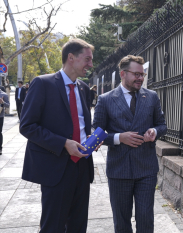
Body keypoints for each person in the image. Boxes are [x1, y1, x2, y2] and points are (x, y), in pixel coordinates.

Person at [20, 38, 95, 233]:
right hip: (55, 168)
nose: (91, 65)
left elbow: (80, 124)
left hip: (82, 167)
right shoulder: (42, 84)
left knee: (78, 226)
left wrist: (92, 137)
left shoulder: (84, 89)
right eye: (87, 59)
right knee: (53, 226)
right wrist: (63, 143)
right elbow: (27, 126)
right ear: (71, 57)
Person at [93, 55, 167, 233]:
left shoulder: (151, 97)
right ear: (123, 74)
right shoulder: (106, 99)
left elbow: (162, 125)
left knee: (145, 219)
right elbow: (96, 134)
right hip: (119, 170)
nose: (141, 78)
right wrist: (119, 137)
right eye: (136, 74)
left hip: (146, 169)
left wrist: (154, 132)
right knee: (121, 221)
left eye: (142, 74)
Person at [0, 88, 9, 155]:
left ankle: (0, 148)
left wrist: (2, 102)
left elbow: (8, 105)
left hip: (0, 116)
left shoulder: (4, 95)